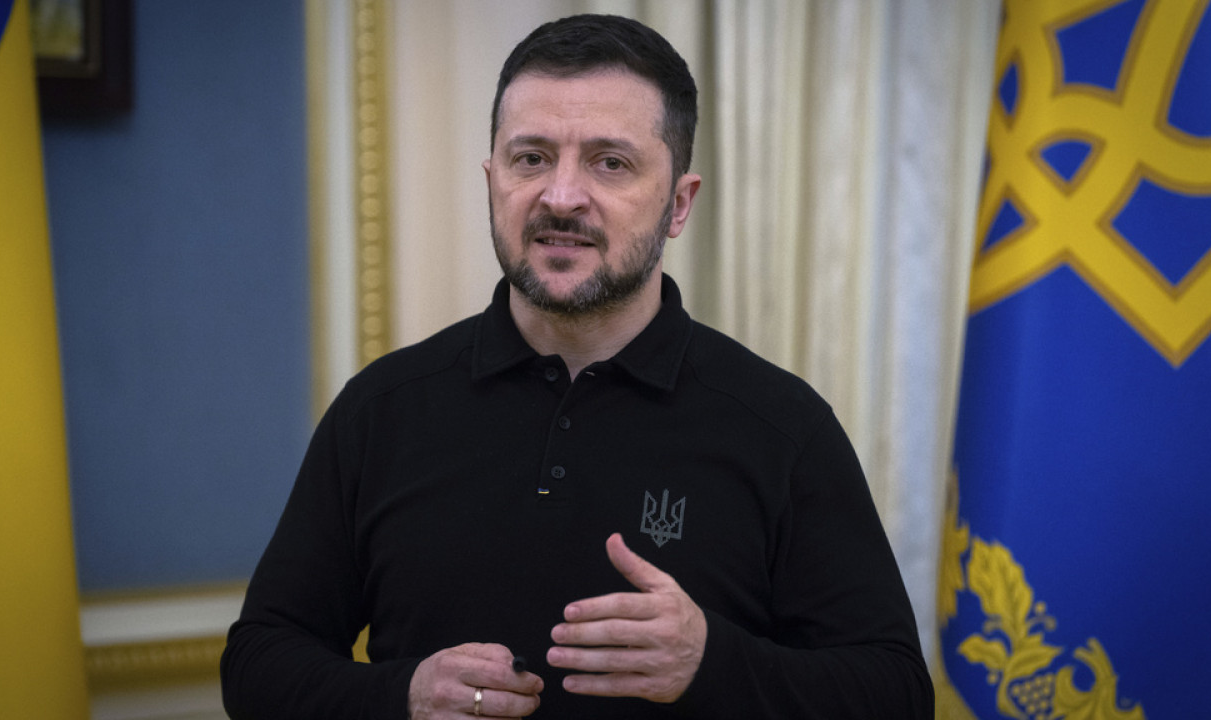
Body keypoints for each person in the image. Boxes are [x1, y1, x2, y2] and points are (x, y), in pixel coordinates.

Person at [221, 13, 932, 719]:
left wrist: (711, 663)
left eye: (609, 162)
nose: (561, 197)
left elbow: (896, 692)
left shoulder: (783, 427)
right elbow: (258, 664)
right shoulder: (380, 409)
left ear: (678, 204)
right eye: (531, 158)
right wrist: (399, 696)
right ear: (492, 180)